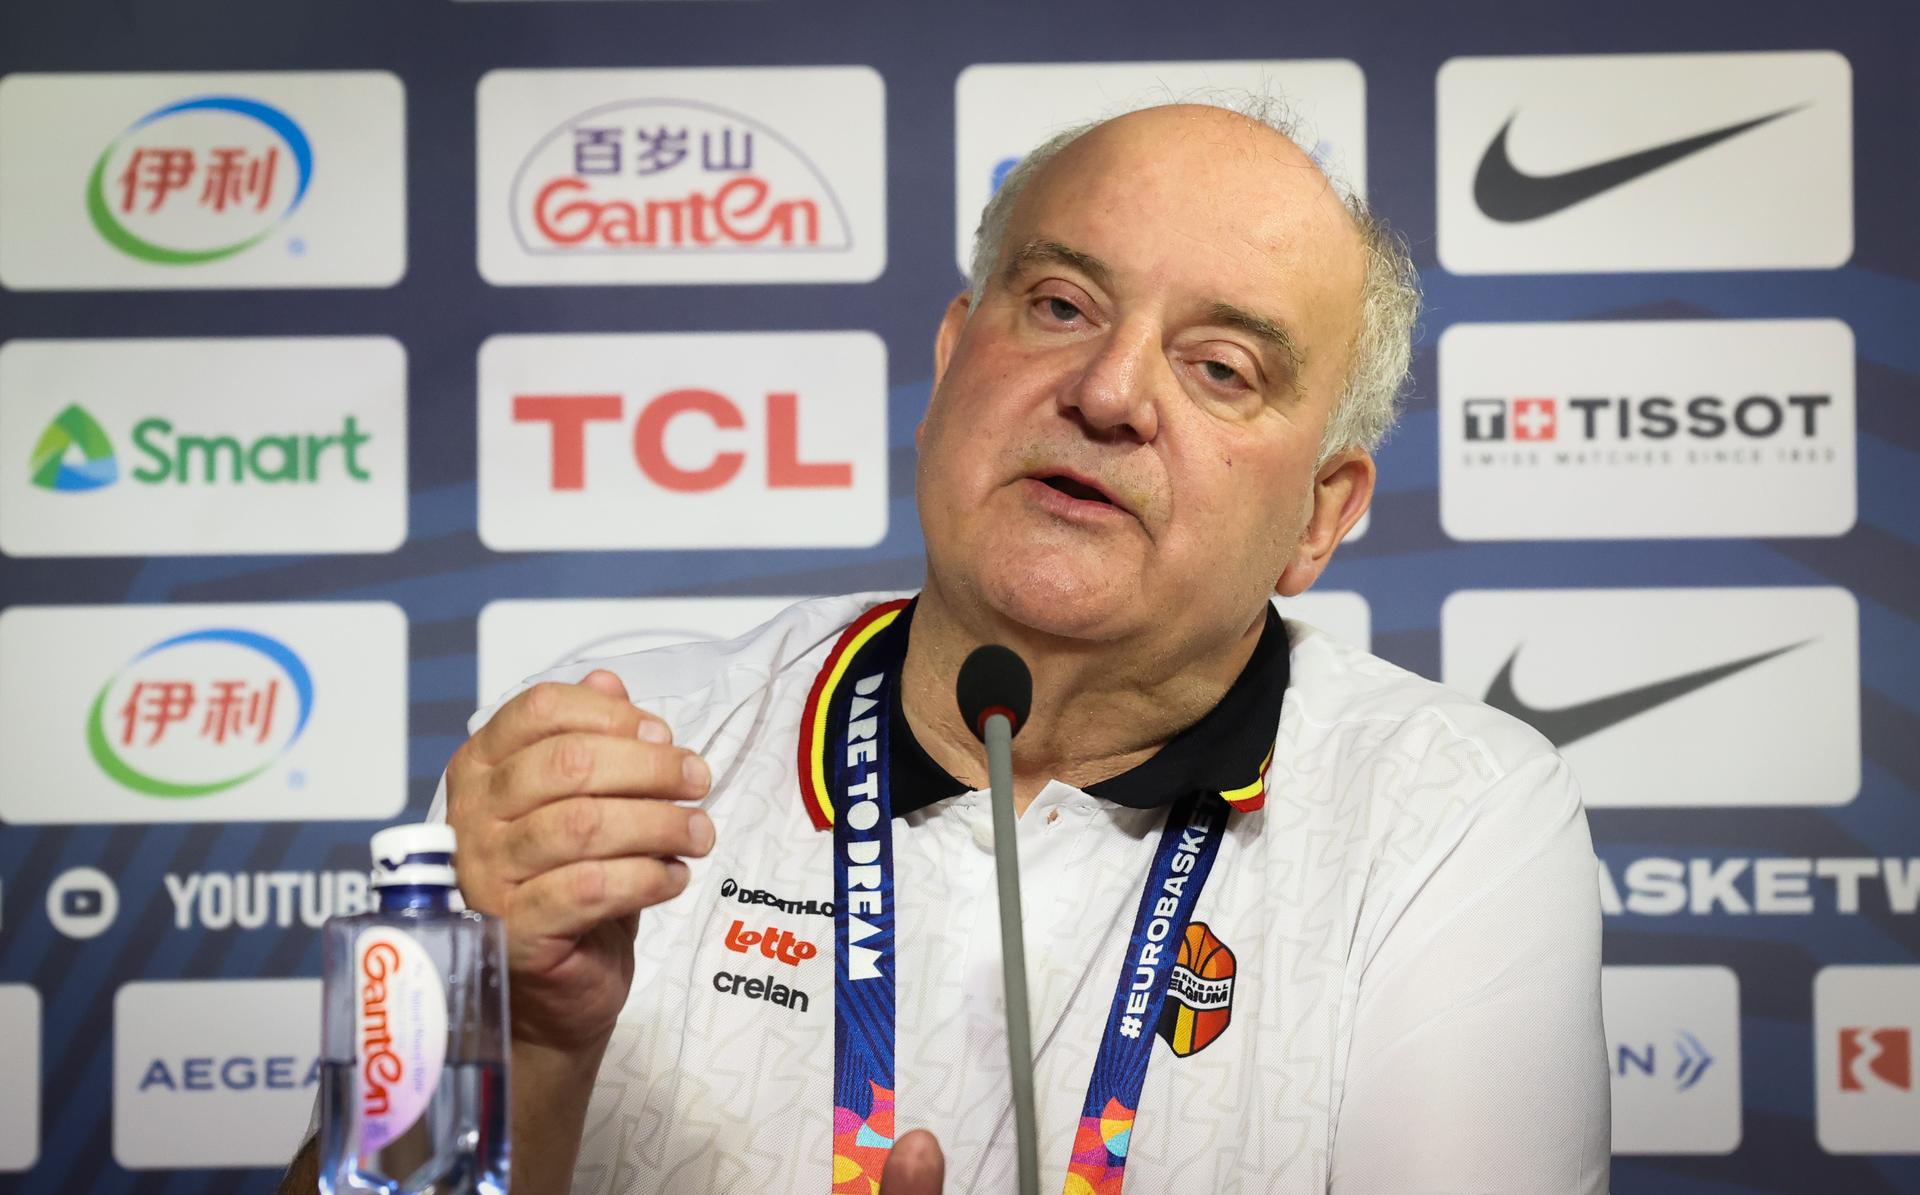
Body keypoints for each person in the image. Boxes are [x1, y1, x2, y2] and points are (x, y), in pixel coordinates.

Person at [284, 99, 1608, 1194]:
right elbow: (367, 1179)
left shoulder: (1448, 812)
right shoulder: (610, 761)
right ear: (952, 358)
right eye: (1061, 305)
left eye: (1219, 367)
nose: (1109, 392)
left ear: (1320, 516)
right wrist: (518, 1042)